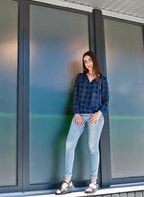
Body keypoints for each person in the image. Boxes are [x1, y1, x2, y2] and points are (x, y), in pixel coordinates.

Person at [55, 51, 109, 195]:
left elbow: (106, 100)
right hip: (80, 115)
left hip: (95, 117)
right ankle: (67, 181)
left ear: (94, 61)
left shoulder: (102, 80)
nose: (87, 63)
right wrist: (77, 113)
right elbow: (75, 97)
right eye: (85, 61)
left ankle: (93, 182)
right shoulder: (80, 78)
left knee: (92, 147)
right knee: (69, 145)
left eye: (89, 60)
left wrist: (99, 113)